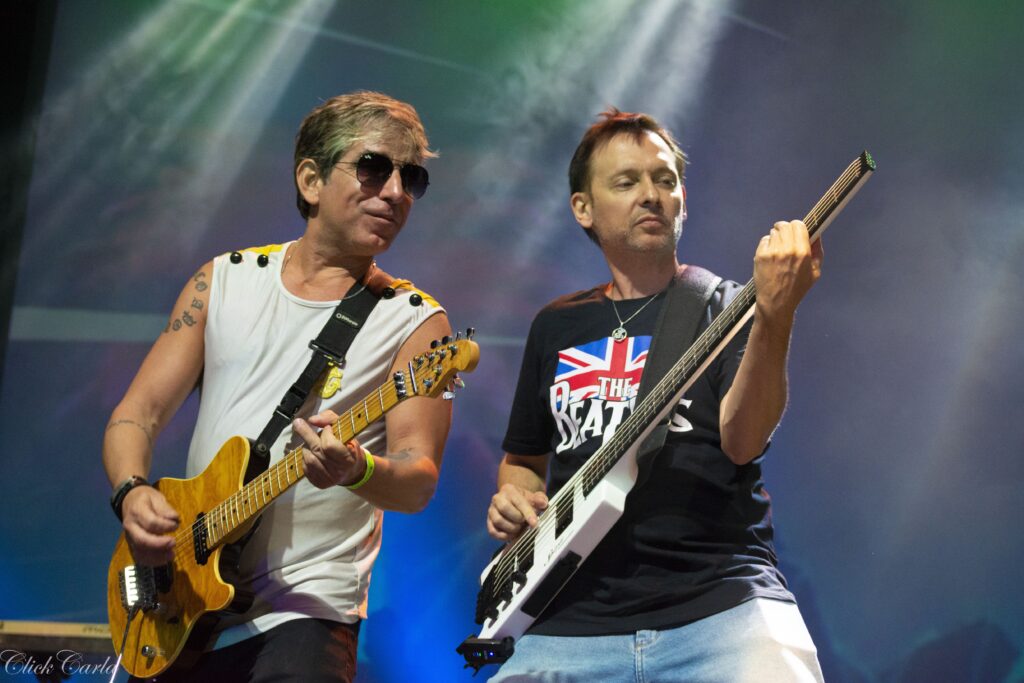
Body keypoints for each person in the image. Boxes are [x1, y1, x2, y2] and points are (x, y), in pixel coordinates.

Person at [103, 91, 452, 682]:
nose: (395, 192)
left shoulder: (416, 321)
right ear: (311, 180)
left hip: (308, 614)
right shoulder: (223, 281)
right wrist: (131, 492)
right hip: (183, 603)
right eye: (373, 168)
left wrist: (358, 469)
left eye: (410, 177)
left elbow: (418, 481)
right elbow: (137, 414)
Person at [485, 108, 825, 682]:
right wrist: (513, 496)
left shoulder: (728, 306)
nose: (651, 195)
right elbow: (523, 459)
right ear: (583, 208)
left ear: (682, 200)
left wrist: (777, 313)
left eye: (664, 180)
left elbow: (744, 441)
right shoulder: (555, 326)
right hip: (567, 620)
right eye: (626, 182)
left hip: (721, 606)